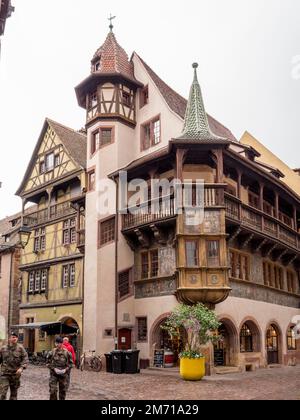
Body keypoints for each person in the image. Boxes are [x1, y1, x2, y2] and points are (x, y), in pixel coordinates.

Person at [0, 332, 28, 400]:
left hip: (15, 375)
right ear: (9, 338)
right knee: (3, 393)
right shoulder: (3, 348)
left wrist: (21, 368)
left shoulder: (20, 348)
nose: (14, 338)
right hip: (5, 374)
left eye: (15, 337)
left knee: (13, 395)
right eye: (12, 337)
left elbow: (25, 359)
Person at [47, 336, 74, 400]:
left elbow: (71, 364)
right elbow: (47, 363)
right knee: (52, 391)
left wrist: (66, 369)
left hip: (63, 375)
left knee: (62, 392)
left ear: (61, 343)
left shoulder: (67, 353)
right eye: (56, 343)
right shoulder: (52, 352)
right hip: (54, 374)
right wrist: (53, 368)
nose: (57, 344)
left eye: (59, 343)